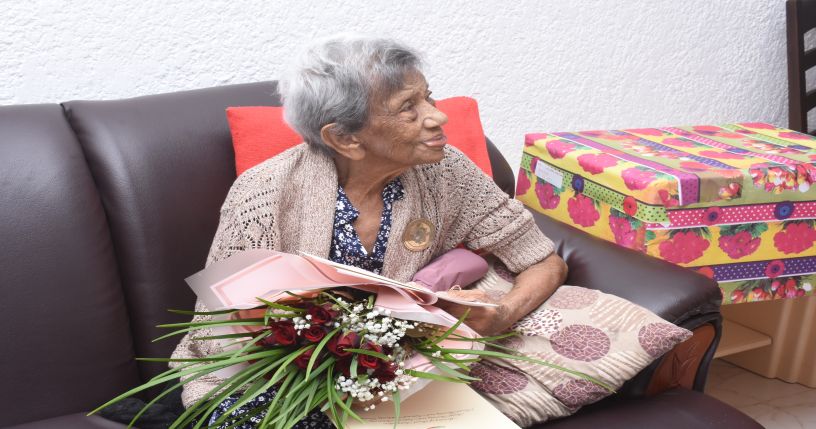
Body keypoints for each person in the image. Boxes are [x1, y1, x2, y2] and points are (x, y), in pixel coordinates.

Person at [171, 34, 567, 428]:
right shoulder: (264, 192)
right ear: (345, 138)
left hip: (403, 379)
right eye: (408, 108)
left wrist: (502, 315)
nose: (437, 116)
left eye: (428, 97)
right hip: (274, 383)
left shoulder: (447, 172)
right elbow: (215, 331)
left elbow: (543, 261)